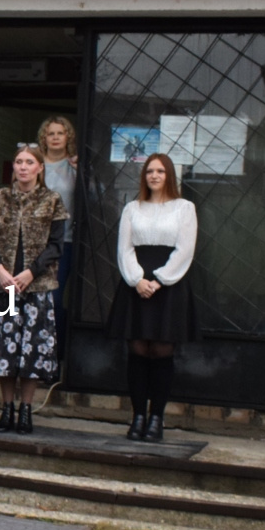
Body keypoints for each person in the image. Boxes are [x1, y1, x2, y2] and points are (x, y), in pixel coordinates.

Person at [0, 143, 68, 434]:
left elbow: (56, 245)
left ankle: (26, 409)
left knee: (32, 350)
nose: (23, 167)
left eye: (29, 162)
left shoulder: (52, 200)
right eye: (18, 162)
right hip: (2, 285)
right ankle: (6, 408)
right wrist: (0, 270)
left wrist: (30, 272)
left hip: (36, 286)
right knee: (5, 348)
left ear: (40, 168)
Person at [106, 153, 197, 442]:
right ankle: (138, 416)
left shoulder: (185, 208)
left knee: (161, 350)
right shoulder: (133, 208)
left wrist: (159, 281)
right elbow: (125, 249)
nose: (154, 176)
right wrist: (137, 280)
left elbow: (184, 249)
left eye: (160, 171)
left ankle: (157, 417)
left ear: (169, 175)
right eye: (149, 171)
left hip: (168, 285)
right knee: (137, 350)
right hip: (136, 283)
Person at [36, 116, 77, 358]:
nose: (55, 137)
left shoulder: (74, 167)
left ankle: (53, 355)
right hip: (34, 242)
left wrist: (83, 172)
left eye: (60, 133)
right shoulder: (35, 164)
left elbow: (96, 194)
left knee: (54, 297)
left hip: (64, 241)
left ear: (67, 137)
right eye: (50, 133)